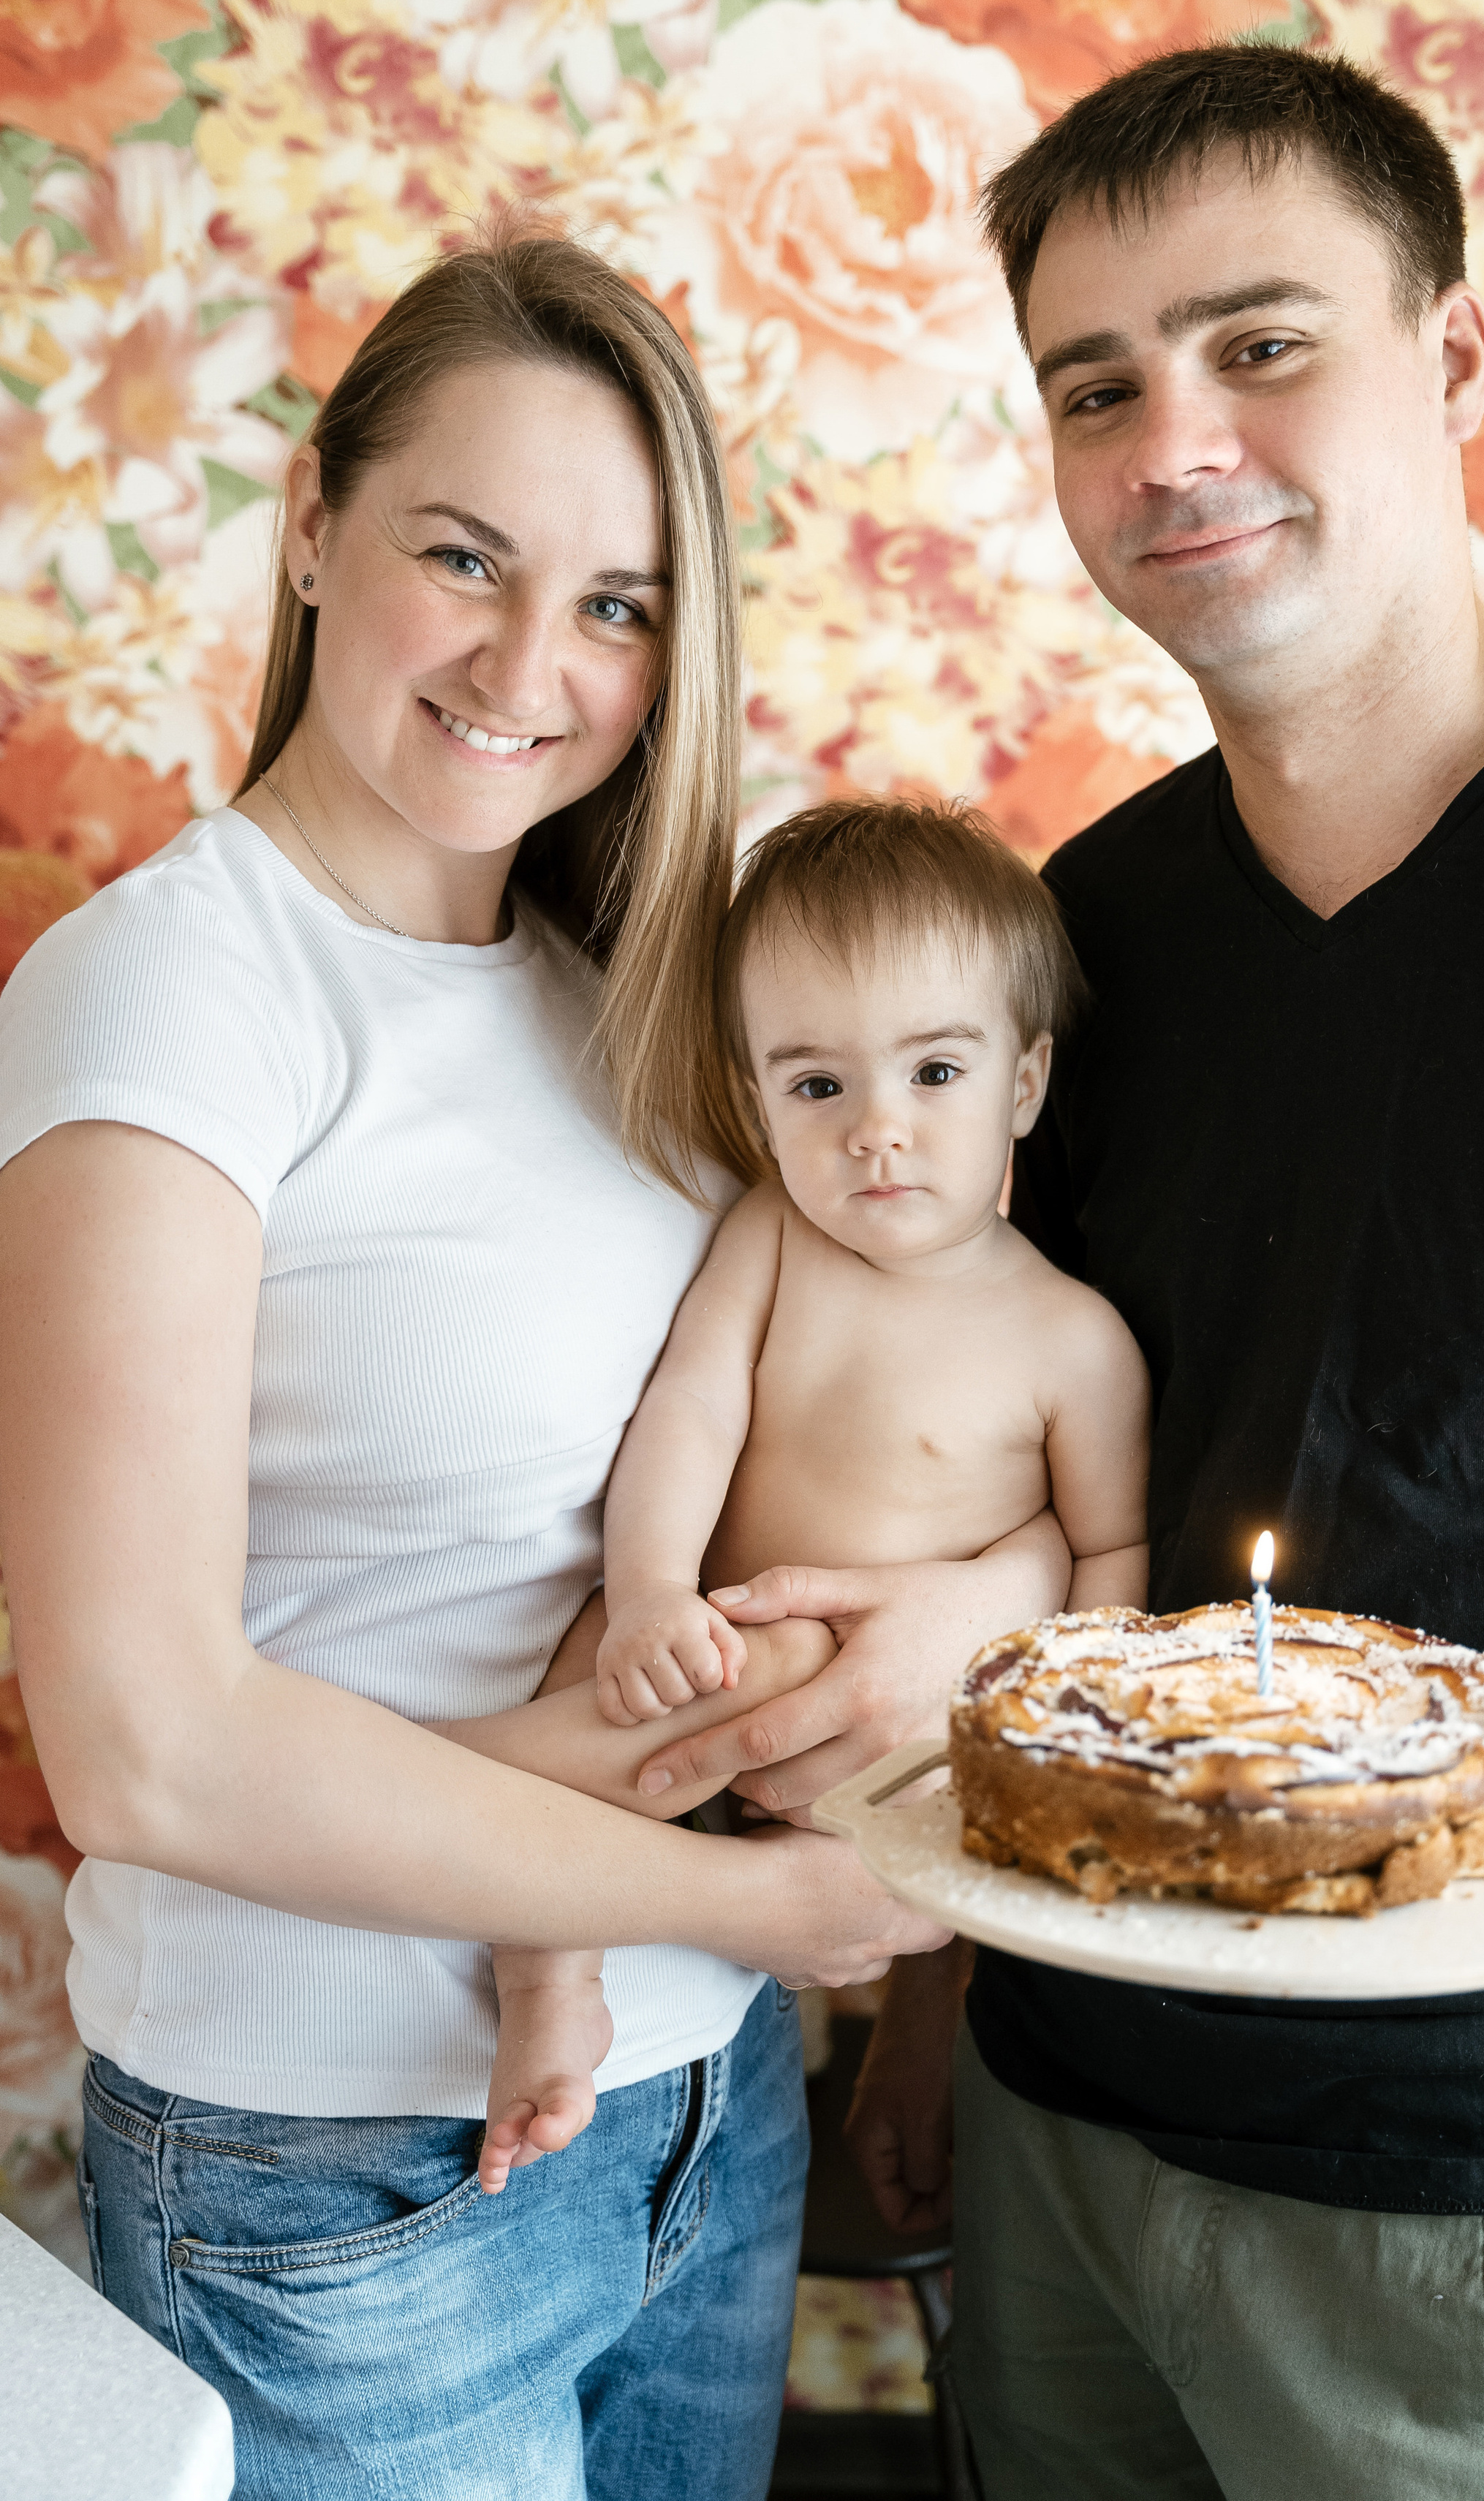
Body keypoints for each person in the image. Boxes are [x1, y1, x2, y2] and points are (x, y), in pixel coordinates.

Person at [838, 45, 1484, 2500]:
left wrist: (1458, 1868)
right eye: (1098, 384)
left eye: (1261, 341)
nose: (1172, 440)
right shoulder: (1081, 934)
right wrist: (928, 1993)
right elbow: (1035, 1503)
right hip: (1058, 2124)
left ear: (1460, 360)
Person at [0, 230, 1069, 2501]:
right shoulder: (173, 1003)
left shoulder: (641, 1006)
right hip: (344, 2172)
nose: (529, 666)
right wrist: (741, 1904)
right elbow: (147, 1747)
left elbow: (870, 1410)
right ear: (311, 526)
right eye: (462, 558)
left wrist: (998, 1603)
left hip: (700, 2123)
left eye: (615, 605)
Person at [473, 795, 1151, 2193]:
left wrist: (1069, 1728)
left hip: (909, 1724)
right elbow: (690, 1412)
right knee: (597, 1664)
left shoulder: (1073, 1339)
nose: (876, 1134)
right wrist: (655, 1589)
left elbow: (1113, 1551)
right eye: (817, 1086)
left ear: (1024, 1084)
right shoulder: (771, 1234)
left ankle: (394, 1782)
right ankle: (549, 1992)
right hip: (713, 1633)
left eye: (935, 1075)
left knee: (935, 1880)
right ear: (758, 1093)